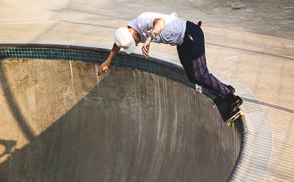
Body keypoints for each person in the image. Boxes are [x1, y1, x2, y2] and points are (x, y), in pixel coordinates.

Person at [98, 12, 242, 119]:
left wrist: (150, 38)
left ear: (131, 31)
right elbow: (117, 44)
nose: (136, 44)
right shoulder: (127, 31)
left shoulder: (142, 21)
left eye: (134, 41)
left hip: (191, 35)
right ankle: (224, 89)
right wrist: (108, 61)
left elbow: (160, 22)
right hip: (183, 42)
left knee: (199, 74)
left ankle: (230, 98)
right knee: (193, 76)